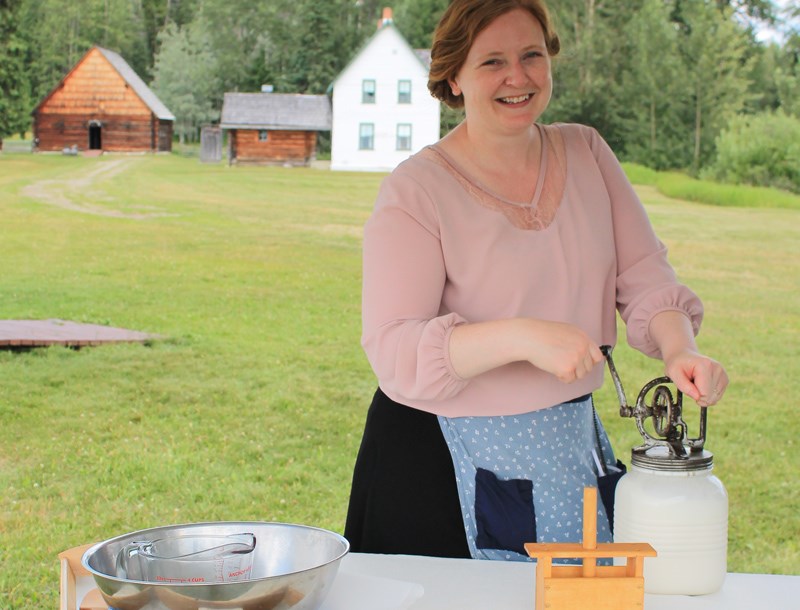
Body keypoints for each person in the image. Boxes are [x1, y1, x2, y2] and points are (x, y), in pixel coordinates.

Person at [344, 0, 728, 561]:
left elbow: (645, 277)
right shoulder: (416, 189)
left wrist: (679, 349)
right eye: (492, 61)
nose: (517, 77)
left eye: (531, 55)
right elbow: (394, 346)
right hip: (435, 466)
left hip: (566, 447)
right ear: (454, 74)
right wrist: (524, 335)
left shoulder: (587, 151)